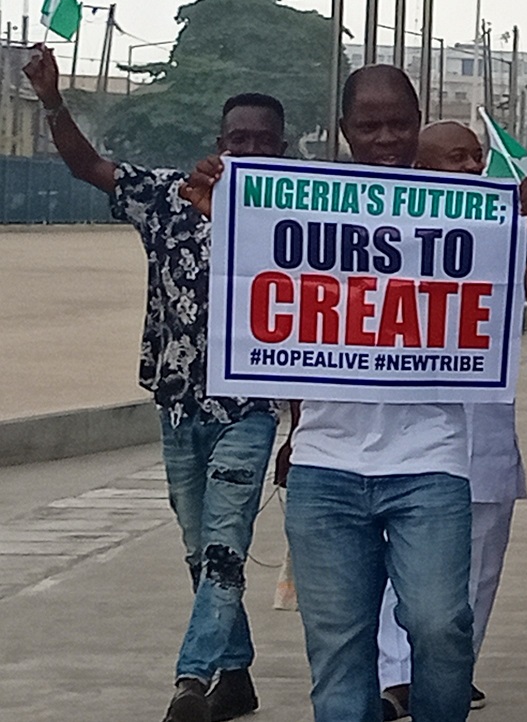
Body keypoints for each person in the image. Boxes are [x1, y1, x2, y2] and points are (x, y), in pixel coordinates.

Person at [187, 65, 481, 722]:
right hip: (326, 465)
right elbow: (278, 320)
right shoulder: (304, 202)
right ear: (345, 130)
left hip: (429, 460)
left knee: (441, 628)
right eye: (369, 125)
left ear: (418, 121)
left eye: (399, 123)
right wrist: (228, 217)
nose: (385, 137)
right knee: (338, 649)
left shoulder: (464, 211)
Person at [26, 43, 284, 722]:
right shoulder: (168, 197)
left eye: (264, 141)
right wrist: (53, 101)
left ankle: (190, 683)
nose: (250, 149)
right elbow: (89, 166)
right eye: (238, 139)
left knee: (226, 547)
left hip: (249, 410)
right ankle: (236, 675)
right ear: (219, 142)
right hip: (177, 408)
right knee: (201, 550)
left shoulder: (296, 219)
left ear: (284, 148)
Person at [370, 120, 527, 719]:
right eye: (455, 159)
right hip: (411, 437)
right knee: (409, 573)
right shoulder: (389, 235)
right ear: (420, 171)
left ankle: (450, 670)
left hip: (487, 431)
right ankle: (398, 680)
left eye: (476, 157)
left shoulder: (508, 231)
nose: (472, 168)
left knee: (479, 569)